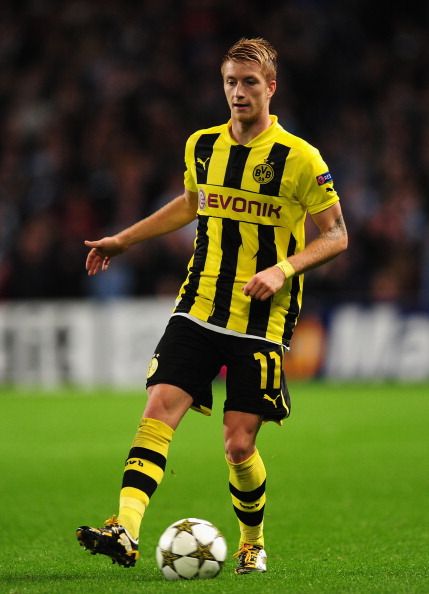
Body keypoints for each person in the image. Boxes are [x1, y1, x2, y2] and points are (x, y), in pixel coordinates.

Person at [76, 37, 348, 574]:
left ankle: (252, 541)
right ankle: (125, 529)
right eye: (230, 81)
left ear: (271, 87)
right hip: (198, 305)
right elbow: (190, 204)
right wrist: (123, 240)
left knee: (238, 444)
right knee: (157, 409)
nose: (238, 91)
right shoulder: (202, 145)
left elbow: (336, 234)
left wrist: (283, 268)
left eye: (250, 82)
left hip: (262, 322)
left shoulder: (299, 158)